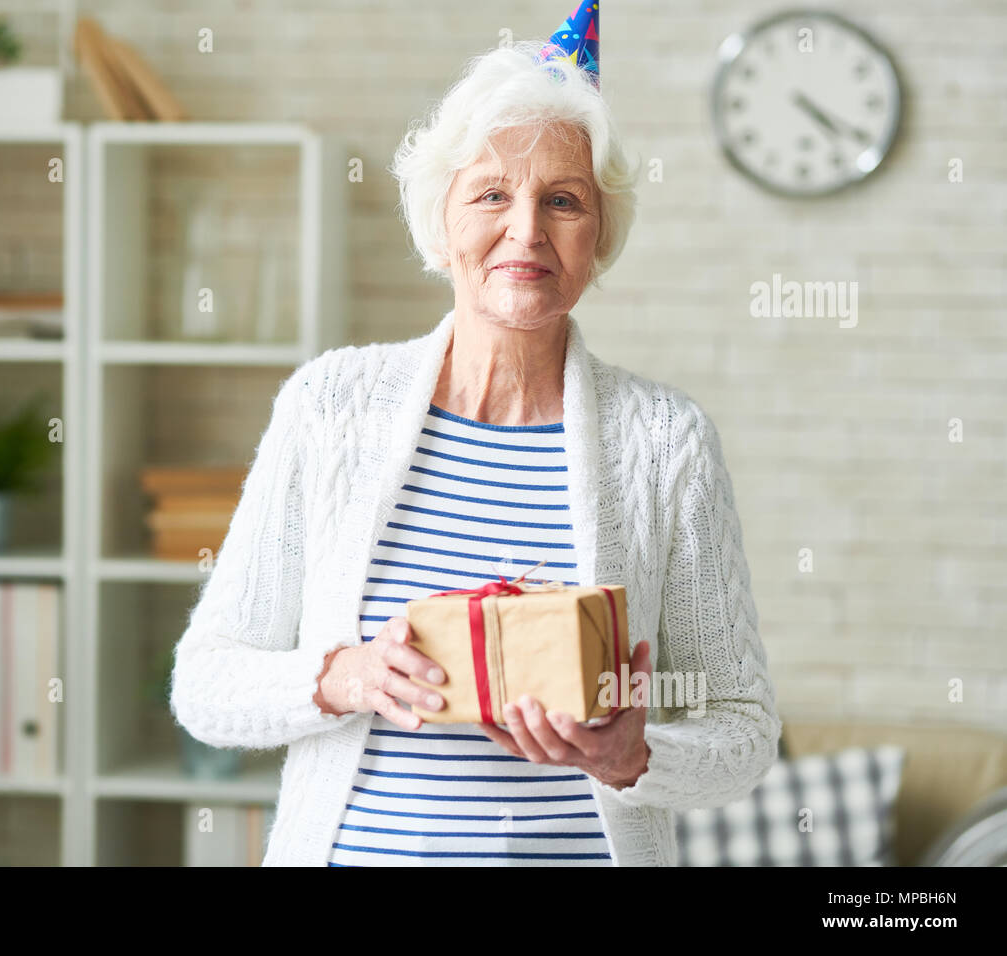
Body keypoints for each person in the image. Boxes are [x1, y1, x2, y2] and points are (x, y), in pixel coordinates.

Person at [171, 40, 780, 866]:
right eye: (492, 193)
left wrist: (633, 757)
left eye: (563, 201)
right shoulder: (331, 406)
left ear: (599, 235)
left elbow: (742, 731)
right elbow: (205, 685)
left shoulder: (665, 441)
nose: (525, 232)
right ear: (442, 219)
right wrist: (343, 677)